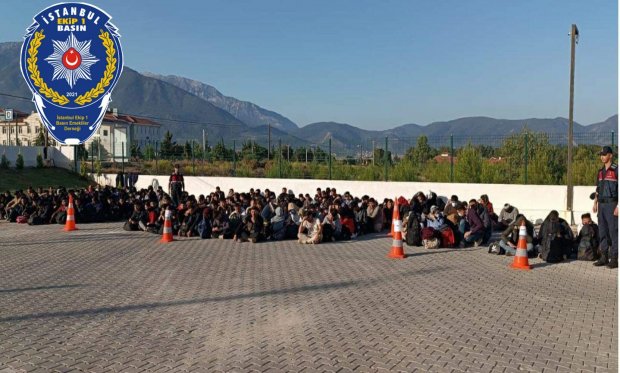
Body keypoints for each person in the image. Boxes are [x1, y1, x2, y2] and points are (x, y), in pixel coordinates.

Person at [593, 146, 618, 268]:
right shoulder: (600, 172)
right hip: (601, 205)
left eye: (604, 154)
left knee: (613, 232)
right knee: (602, 231)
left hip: (612, 204)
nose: (602, 156)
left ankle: (614, 258)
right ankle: (604, 257)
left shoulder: (616, 170)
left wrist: (618, 206)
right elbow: (598, 189)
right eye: (601, 155)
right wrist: (595, 203)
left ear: (610, 155)